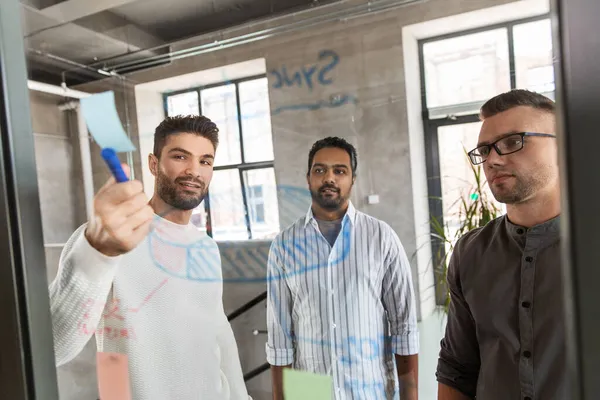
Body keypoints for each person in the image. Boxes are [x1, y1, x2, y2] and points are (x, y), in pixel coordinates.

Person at [49, 115, 250, 400]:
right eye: (181, 156)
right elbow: (52, 347)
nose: (194, 171)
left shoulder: (205, 247)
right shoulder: (108, 239)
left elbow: (218, 333)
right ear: (154, 164)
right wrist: (97, 252)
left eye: (205, 161)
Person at [266, 137, 419, 400]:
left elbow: (404, 327)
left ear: (353, 179)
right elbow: (280, 338)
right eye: (320, 170)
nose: (329, 178)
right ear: (308, 177)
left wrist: (410, 396)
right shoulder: (284, 245)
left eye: (340, 170)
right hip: (310, 393)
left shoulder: (381, 237)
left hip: (370, 390)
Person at [436, 89, 565, 400]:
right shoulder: (470, 252)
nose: (492, 160)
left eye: (512, 142)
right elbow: (458, 367)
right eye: (485, 149)